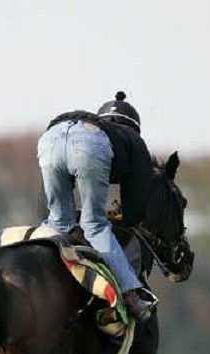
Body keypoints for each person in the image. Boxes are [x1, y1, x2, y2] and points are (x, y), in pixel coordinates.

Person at [37, 91, 157, 321]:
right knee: (94, 224)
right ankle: (131, 295)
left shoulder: (99, 124)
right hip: (88, 143)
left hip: (50, 138)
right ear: (135, 128)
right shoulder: (133, 140)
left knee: (59, 222)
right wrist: (127, 217)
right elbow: (136, 206)